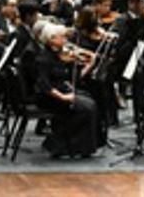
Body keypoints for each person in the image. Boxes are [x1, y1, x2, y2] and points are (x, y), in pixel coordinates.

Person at [34, 23, 100, 157]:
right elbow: (43, 85)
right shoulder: (43, 58)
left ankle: (82, 147)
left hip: (61, 92)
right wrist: (63, 97)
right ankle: (58, 144)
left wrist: (90, 65)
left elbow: (73, 78)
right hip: (49, 97)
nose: (66, 40)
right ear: (51, 39)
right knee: (85, 108)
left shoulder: (58, 55)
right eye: (62, 37)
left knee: (90, 103)